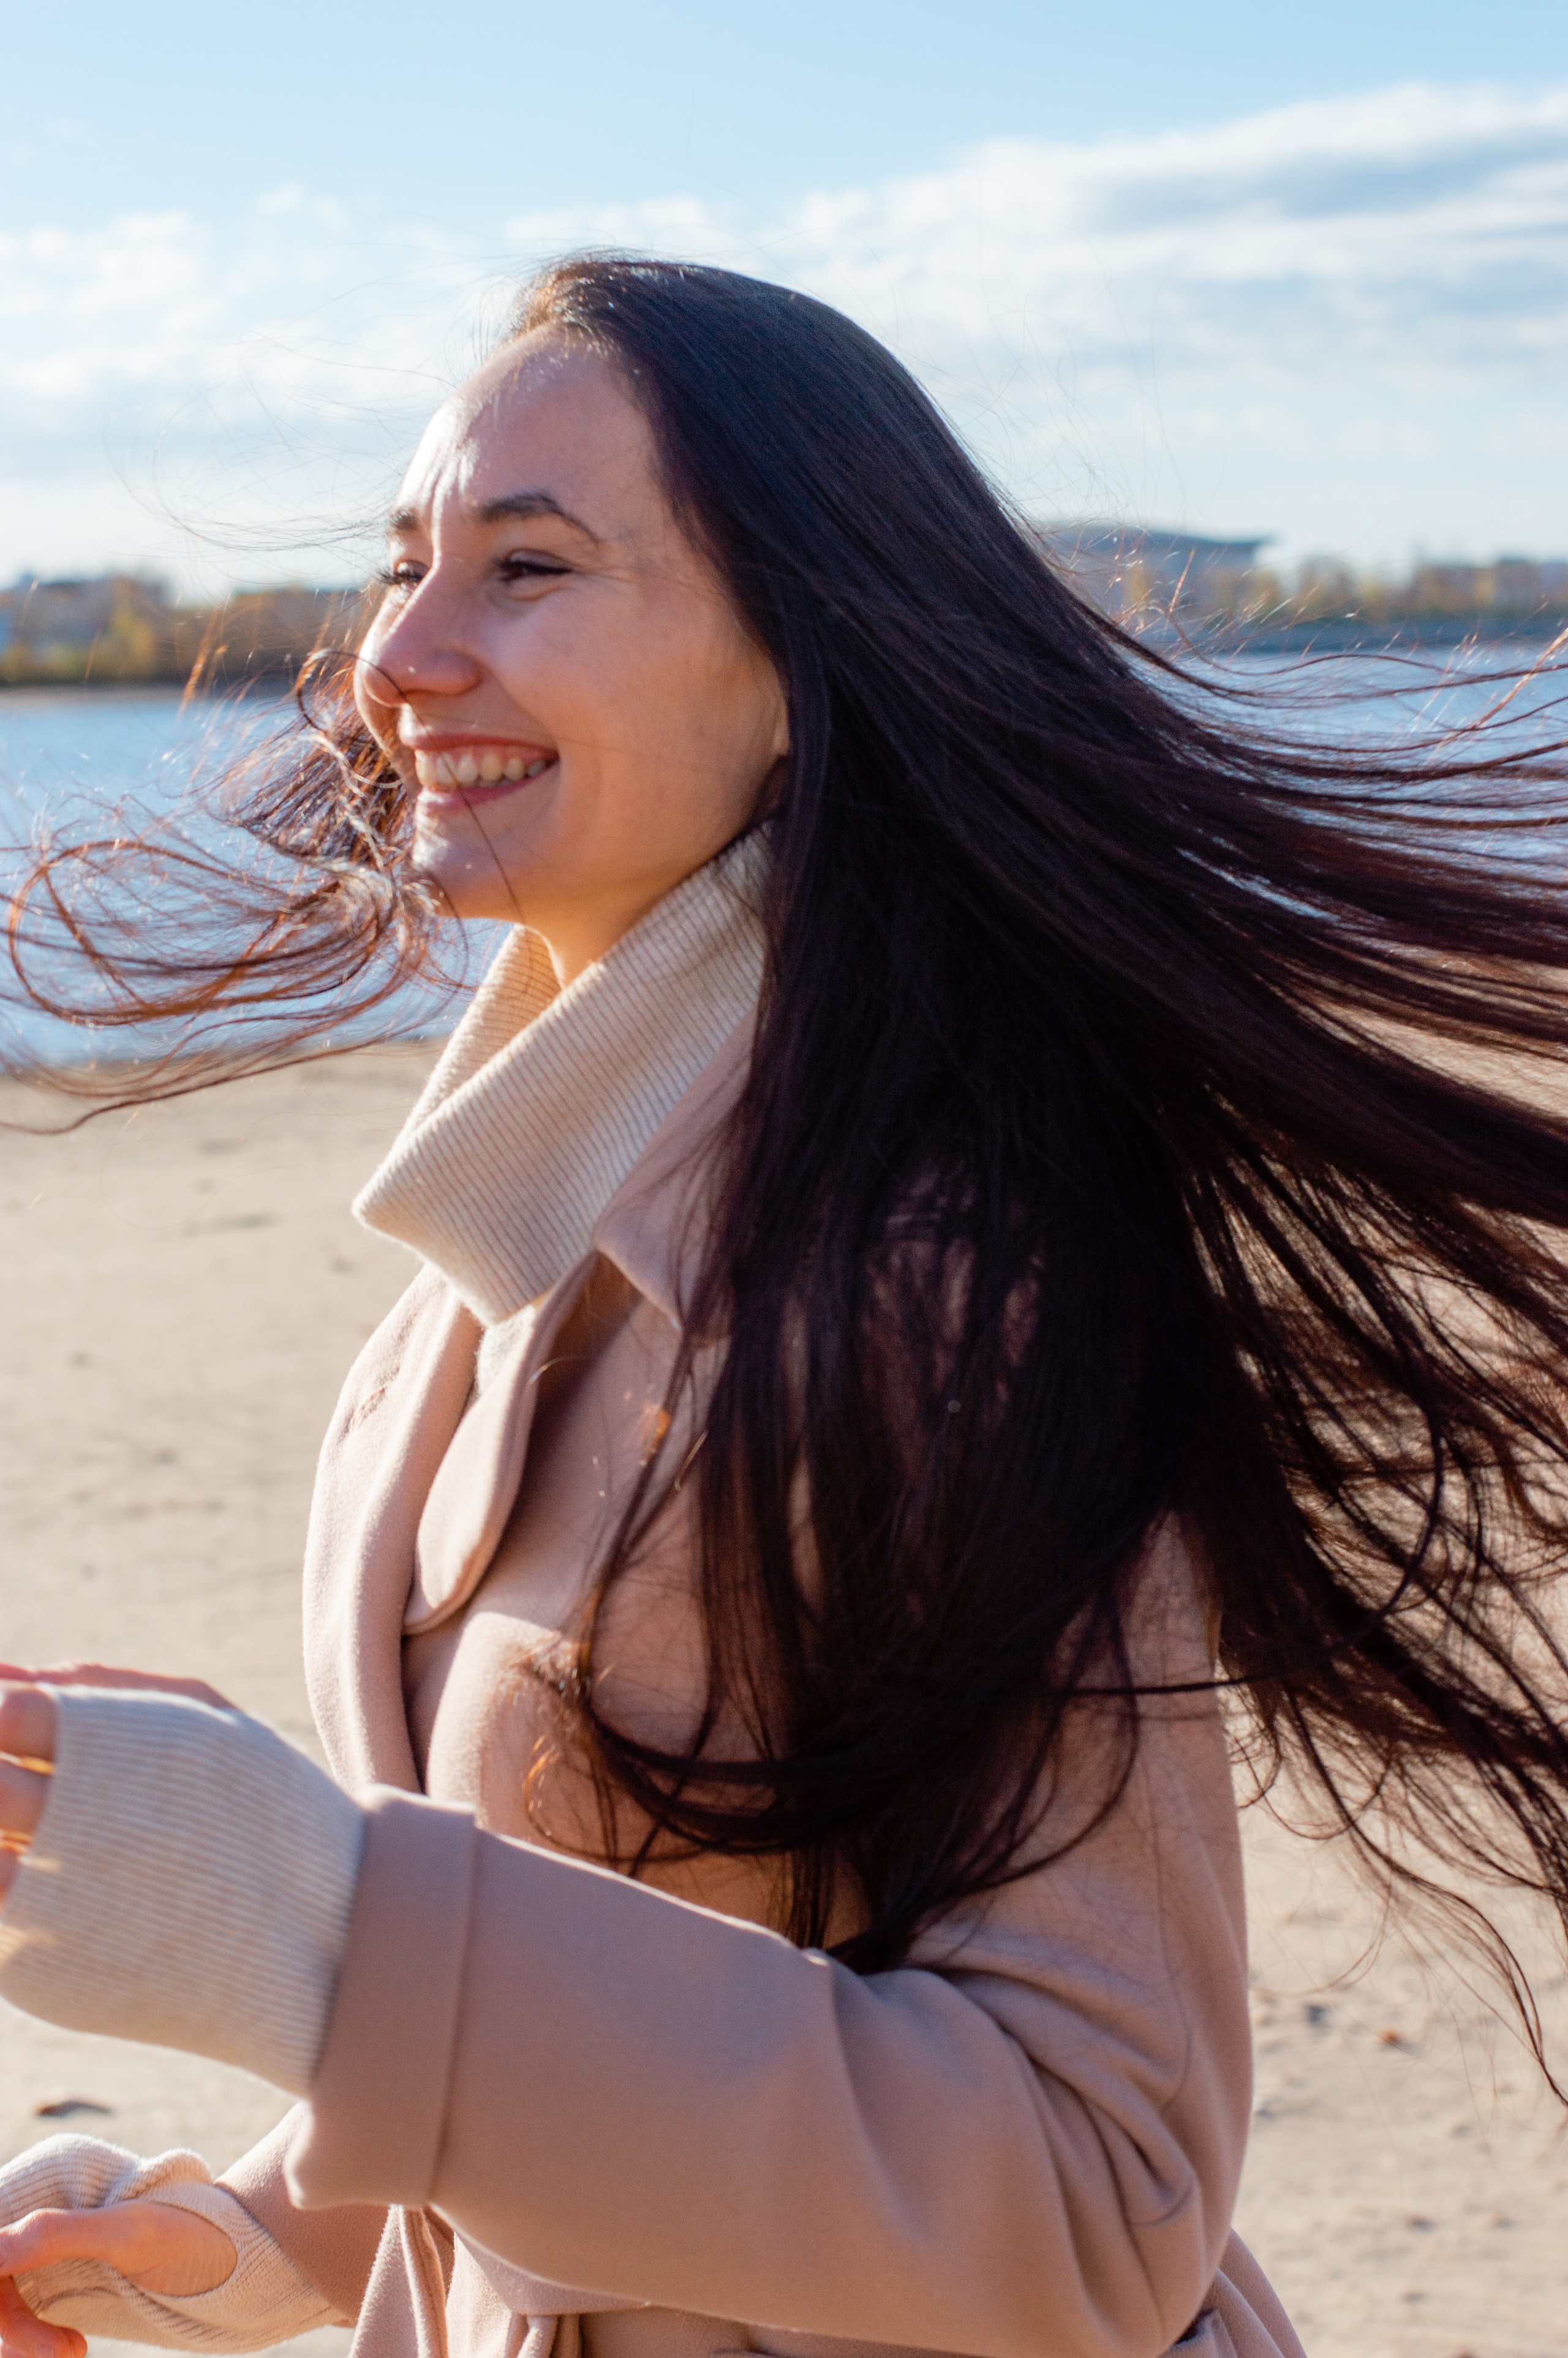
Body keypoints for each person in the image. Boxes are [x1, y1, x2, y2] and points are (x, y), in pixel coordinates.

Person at [0, 256, 1566, 2358]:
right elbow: (625, 2022)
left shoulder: (945, 1282)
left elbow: (1104, 2193)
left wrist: (322, 1924)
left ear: (804, 659)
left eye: (526, 565)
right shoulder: (471, 1293)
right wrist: (265, 2230)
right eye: (402, 566)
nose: (398, 656)